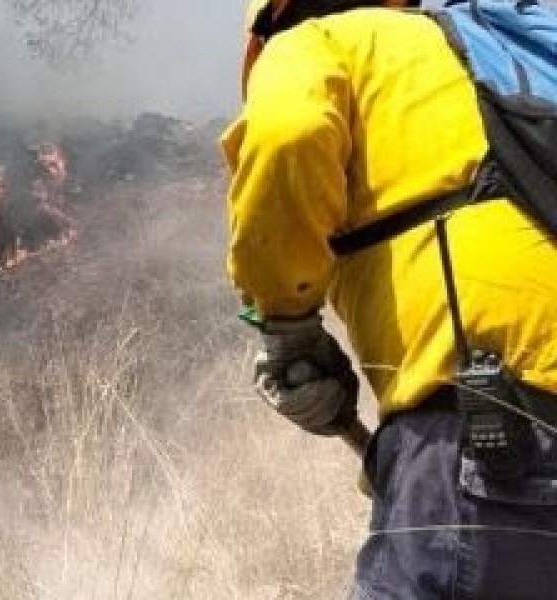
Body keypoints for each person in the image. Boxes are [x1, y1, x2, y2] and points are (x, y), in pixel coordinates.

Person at [222, 0, 557, 598]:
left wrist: (286, 319)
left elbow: (287, 131)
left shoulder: (318, 41)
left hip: (488, 432)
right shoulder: (486, 61)